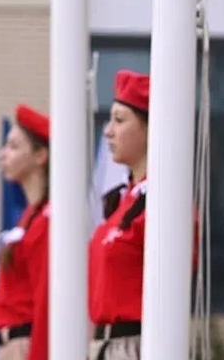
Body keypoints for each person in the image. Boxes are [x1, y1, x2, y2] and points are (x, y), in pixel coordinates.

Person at [87, 70, 150, 360]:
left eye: (120, 120)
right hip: (104, 345)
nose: (108, 131)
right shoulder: (126, 199)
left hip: (133, 346)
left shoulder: (162, 204)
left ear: (150, 128)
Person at [0, 105, 50, 360]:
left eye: (14, 147)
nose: (3, 154)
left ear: (40, 156)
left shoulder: (47, 219)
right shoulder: (29, 216)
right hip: (11, 344)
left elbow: (45, 301)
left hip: (27, 345)